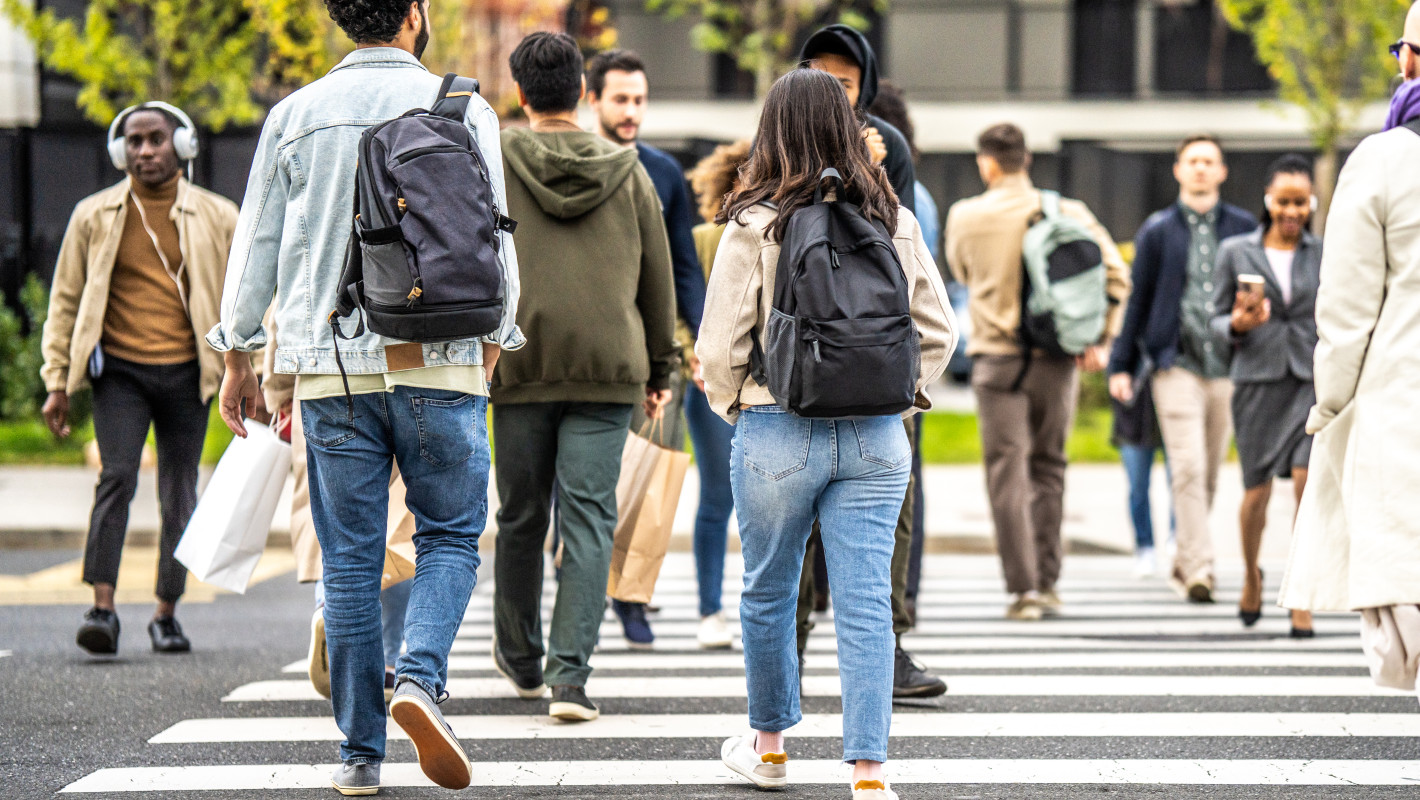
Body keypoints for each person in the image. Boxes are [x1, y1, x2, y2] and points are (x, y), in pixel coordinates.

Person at [207, 0, 523, 793]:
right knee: (450, 532)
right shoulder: (463, 106)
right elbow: (497, 237)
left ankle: (358, 756)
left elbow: (258, 244)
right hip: (442, 358)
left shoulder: (296, 113)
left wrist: (239, 353)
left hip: (330, 368)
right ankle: (418, 678)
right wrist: (494, 342)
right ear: (414, 14)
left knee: (348, 559)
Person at [698, 67, 955, 800]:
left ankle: (771, 747)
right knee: (867, 599)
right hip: (877, 435)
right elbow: (939, 331)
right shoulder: (893, 219)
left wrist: (735, 405)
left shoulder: (753, 223)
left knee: (769, 592)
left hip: (778, 422)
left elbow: (720, 345)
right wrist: (903, 399)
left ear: (772, 131)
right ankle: (869, 774)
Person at [490, 31, 677, 723]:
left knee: (519, 514)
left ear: (520, 93)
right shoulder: (628, 169)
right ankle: (571, 680)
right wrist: (662, 365)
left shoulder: (495, 158)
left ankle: (520, 655)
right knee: (591, 518)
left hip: (516, 359)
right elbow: (656, 277)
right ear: (583, 94)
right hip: (609, 366)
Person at [40, 101, 238, 657]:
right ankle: (101, 610)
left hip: (188, 373)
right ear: (118, 149)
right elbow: (65, 302)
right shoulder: (93, 215)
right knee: (117, 479)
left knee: (180, 493)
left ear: (183, 145)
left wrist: (257, 376)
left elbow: (247, 302)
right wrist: (58, 380)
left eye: (155, 139)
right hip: (120, 373)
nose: (144, 150)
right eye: (133, 141)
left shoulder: (219, 216)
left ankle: (166, 614)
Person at [799, 23, 945, 700]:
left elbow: (898, 251)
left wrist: (871, 171)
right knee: (794, 507)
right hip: (803, 358)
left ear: (867, 89)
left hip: (881, 354)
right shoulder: (782, 144)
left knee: (895, 506)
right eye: (822, 80)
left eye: (847, 84)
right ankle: (789, 643)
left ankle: (890, 646)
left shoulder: (889, 146)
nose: (836, 95)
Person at [1282, 5, 1420, 699]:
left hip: (1403, 397)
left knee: (1404, 576)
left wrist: (1329, 403)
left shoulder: (1384, 159)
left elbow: (1345, 306)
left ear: (1411, 60)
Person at [945, 123, 1130, 620]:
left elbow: (960, 273)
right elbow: (1117, 275)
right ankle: (1049, 581)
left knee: (1007, 473)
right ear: (1026, 160)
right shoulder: (1069, 211)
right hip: (1055, 358)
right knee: (1049, 466)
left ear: (987, 163)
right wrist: (1101, 337)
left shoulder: (965, 216)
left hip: (995, 359)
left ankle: (1022, 590)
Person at [585, 47, 708, 649]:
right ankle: (579, 584)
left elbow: (685, 266)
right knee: (586, 480)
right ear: (592, 99)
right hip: (585, 349)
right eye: (620, 99)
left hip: (653, 349)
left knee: (655, 476)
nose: (632, 111)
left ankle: (632, 597)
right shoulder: (572, 162)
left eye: (639, 100)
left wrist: (700, 341)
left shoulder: (664, 173)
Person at [1108, 135, 1256, 603]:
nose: (1199, 169)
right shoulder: (1158, 231)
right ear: (1178, 170)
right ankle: (1199, 568)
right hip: (1175, 366)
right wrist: (1122, 365)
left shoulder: (1244, 227)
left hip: (1228, 366)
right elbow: (1139, 301)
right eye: (1192, 161)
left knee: (1209, 471)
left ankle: (1186, 555)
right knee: (1187, 467)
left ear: (1222, 171)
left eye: (1208, 161)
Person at [261, 337, 414, 700]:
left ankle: (328, 607)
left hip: (321, 374)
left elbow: (282, 306)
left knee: (333, 515)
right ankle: (389, 661)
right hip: (404, 372)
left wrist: (278, 386)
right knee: (397, 525)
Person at [1212, 154, 1321, 637]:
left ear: (1312, 202)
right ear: (1268, 201)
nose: (1292, 211)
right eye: (1283, 201)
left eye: (1300, 201)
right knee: (1255, 491)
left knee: (1306, 485)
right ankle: (1252, 576)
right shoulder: (1236, 251)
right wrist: (1235, 324)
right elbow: (1210, 319)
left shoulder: (1326, 252)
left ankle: (1301, 594)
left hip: (1310, 381)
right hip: (1257, 381)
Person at [684, 139, 751, 650]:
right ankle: (710, 608)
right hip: (710, 384)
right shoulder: (704, 240)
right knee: (716, 496)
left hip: (757, 388)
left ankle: (746, 603)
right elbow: (681, 304)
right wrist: (690, 352)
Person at [1110, 386, 1173, 578]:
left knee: (1182, 483)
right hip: (1133, 418)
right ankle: (1145, 548)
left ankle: (1178, 541)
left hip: (1174, 413)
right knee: (1137, 488)